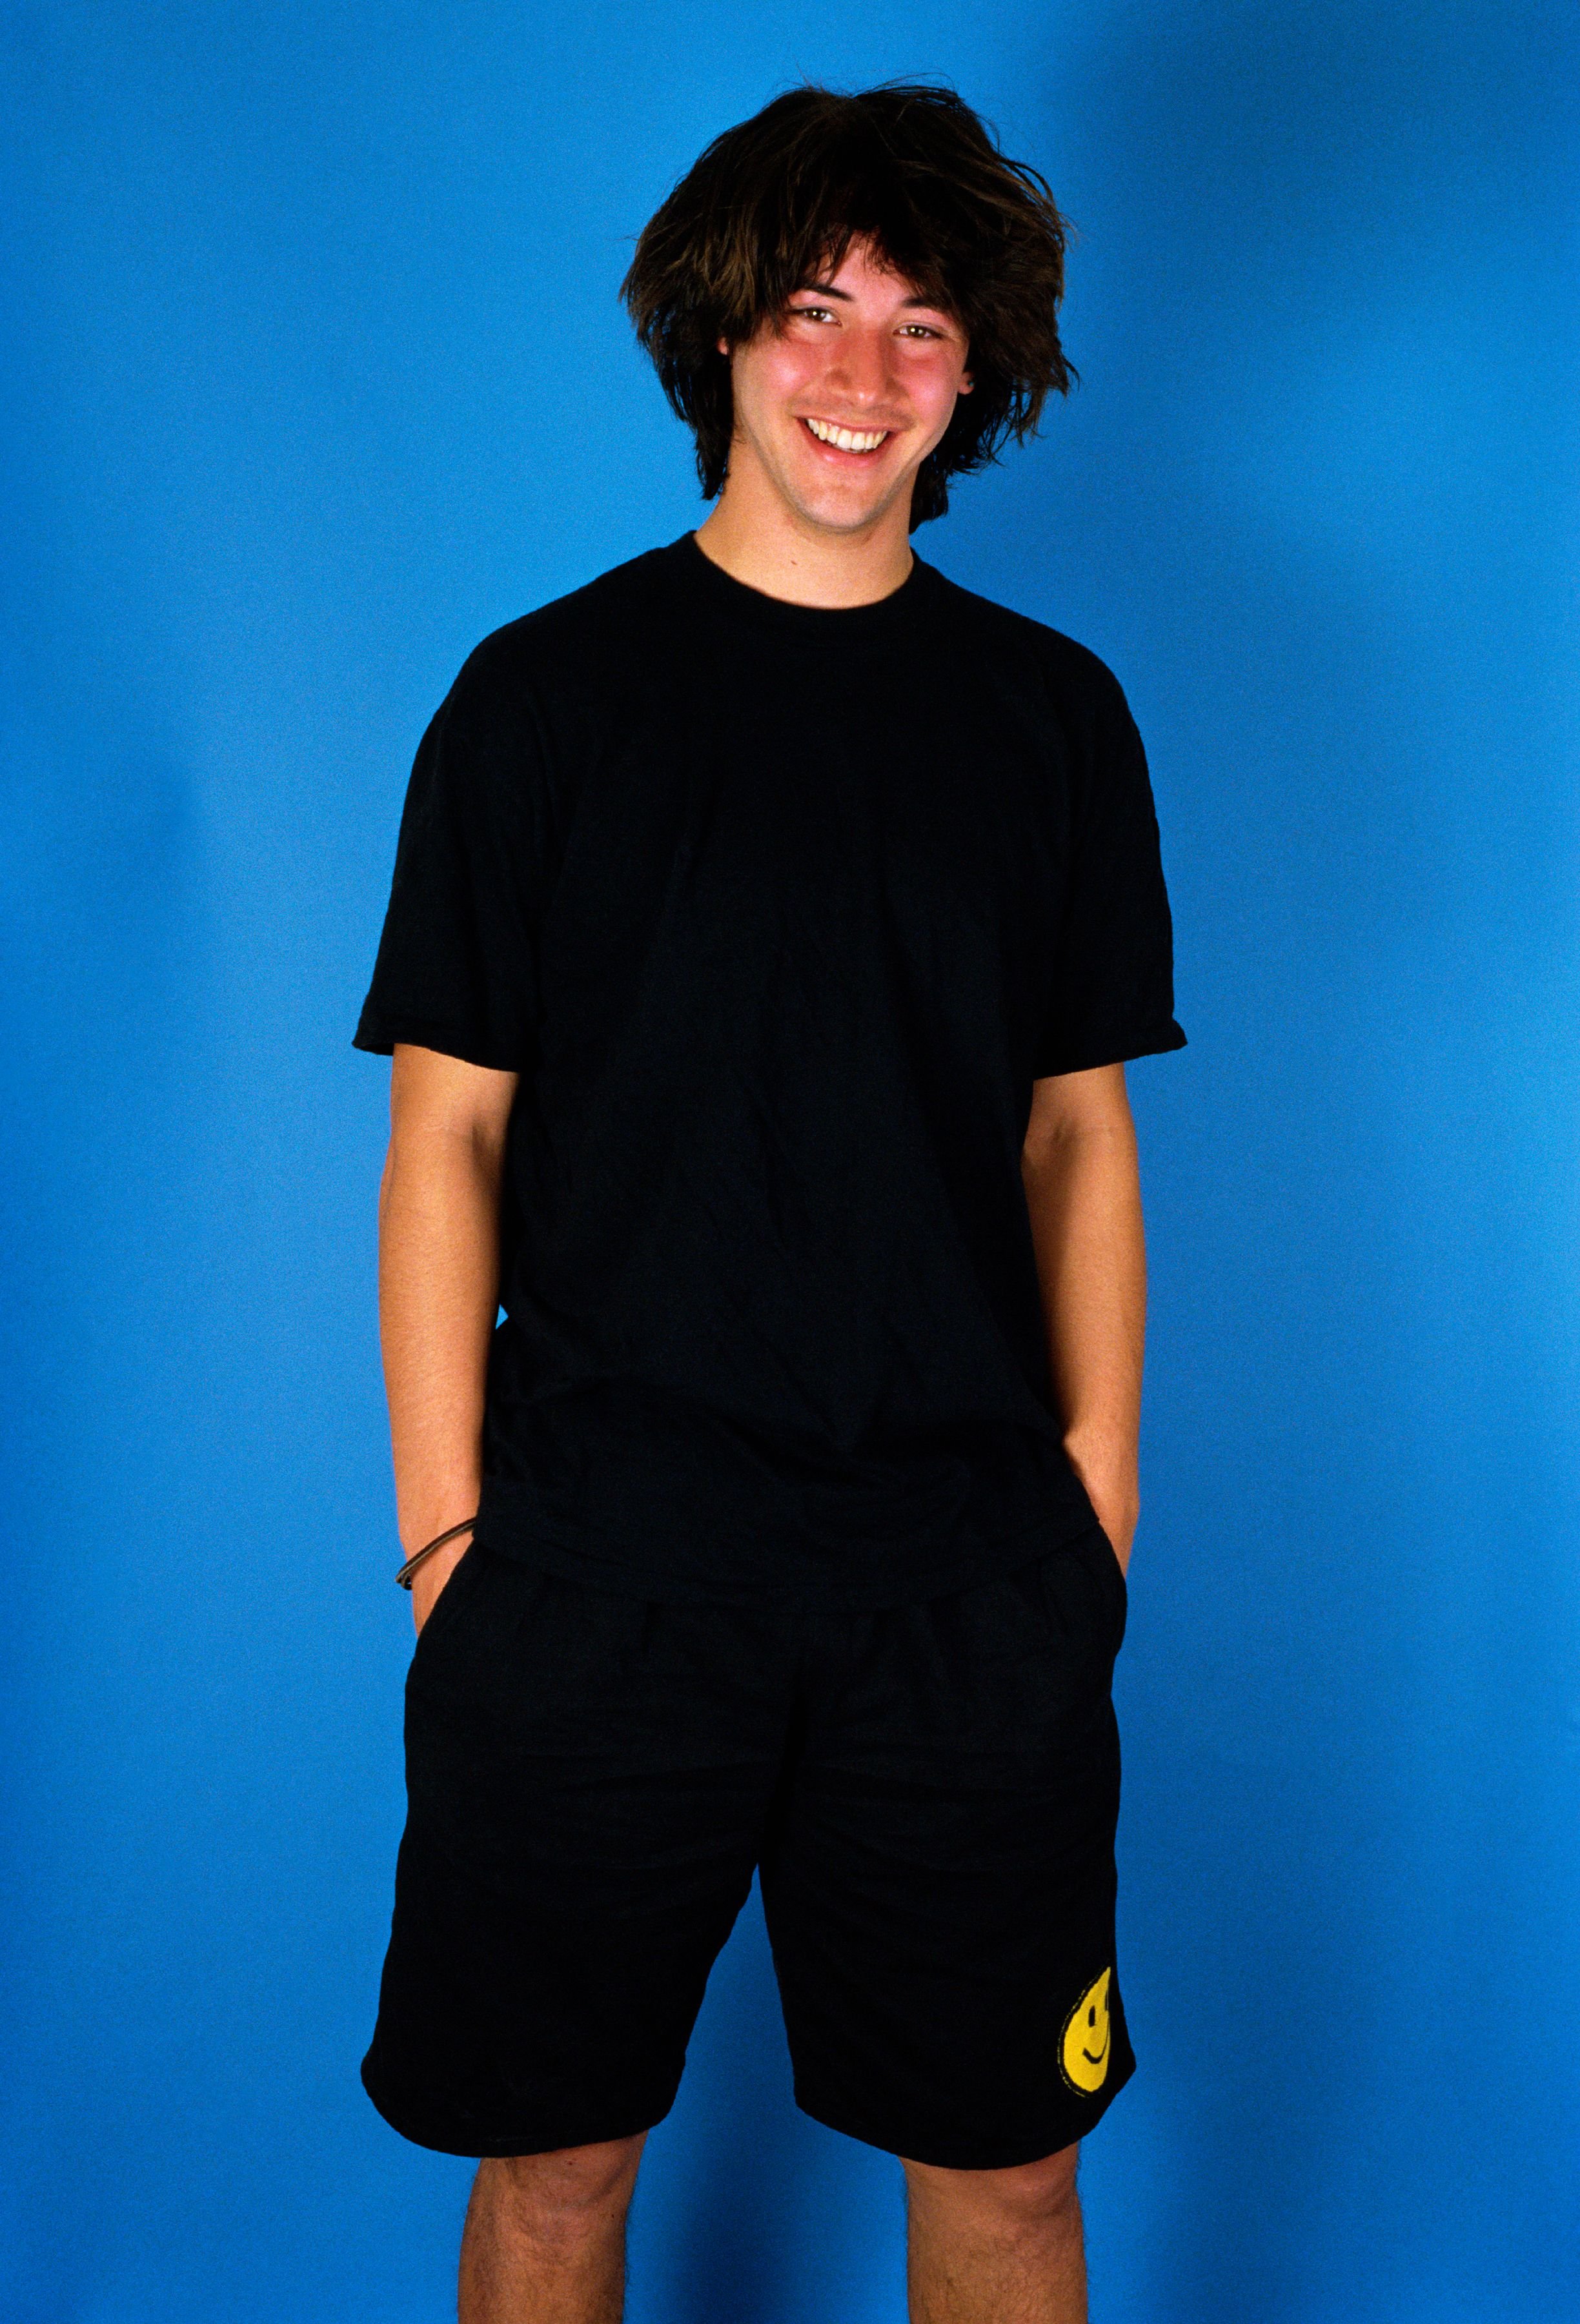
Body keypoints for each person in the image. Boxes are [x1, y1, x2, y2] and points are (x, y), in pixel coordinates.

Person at [353, 80, 1184, 2324]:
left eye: (924, 331)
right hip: (603, 1575)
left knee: (1009, 2178)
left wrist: (1093, 1494)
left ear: (980, 376)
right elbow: (446, 1138)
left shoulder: (1051, 724)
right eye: (814, 312)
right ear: (721, 339)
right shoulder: (540, 707)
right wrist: (450, 1542)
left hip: (962, 1588)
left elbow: (1075, 1128)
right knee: (558, 2179)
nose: (861, 376)